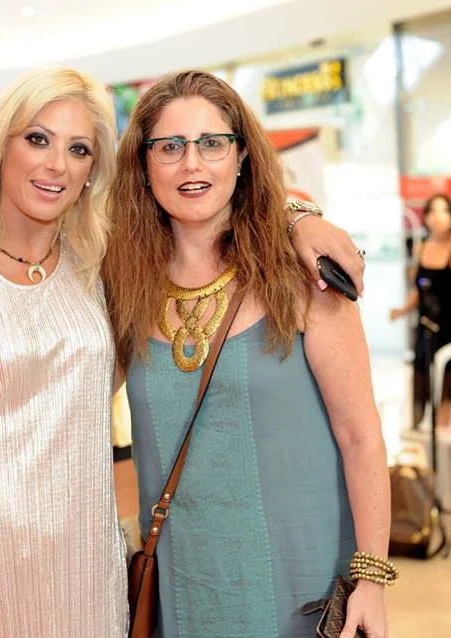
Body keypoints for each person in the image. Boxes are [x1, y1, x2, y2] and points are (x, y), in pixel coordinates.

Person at [0, 66, 366, 638]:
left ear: (93, 172)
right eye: (37, 139)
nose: (57, 164)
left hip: (82, 571)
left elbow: (211, 211)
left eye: (78, 149)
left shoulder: (105, 269)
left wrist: (296, 217)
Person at [101, 70, 392, 637]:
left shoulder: (303, 277)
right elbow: (65, 398)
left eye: (212, 143)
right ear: (144, 165)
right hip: (181, 592)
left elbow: (361, 435)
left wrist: (372, 580)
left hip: (301, 587)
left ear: (241, 157)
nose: (192, 164)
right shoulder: (124, 287)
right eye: (170, 147)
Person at [390, 194, 451, 428]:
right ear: (426, 217)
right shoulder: (422, 247)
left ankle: (443, 442)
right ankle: (422, 443)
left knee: (446, 396)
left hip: (448, 329)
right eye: (432, 211)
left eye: (444, 211)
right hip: (424, 329)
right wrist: (401, 311)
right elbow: (420, 291)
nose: (438, 217)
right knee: (420, 391)